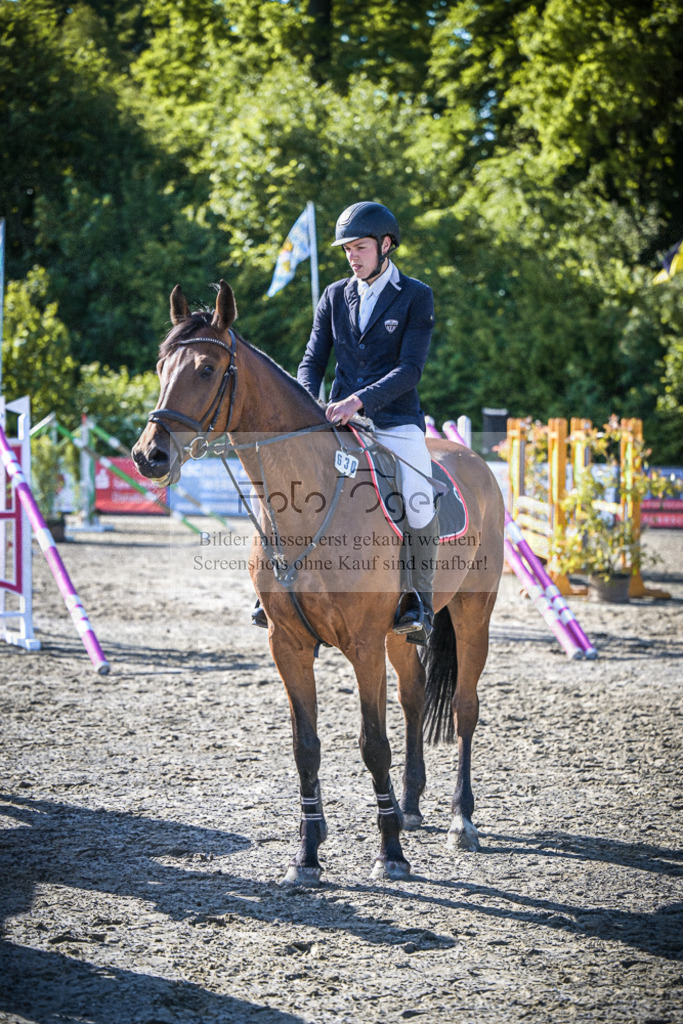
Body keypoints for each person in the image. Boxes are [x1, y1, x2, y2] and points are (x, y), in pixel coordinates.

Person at [295, 200, 438, 644]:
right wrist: (306, 401)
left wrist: (359, 401)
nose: (352, 256)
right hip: (335, 418)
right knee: (291, 483)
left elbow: (410, 370)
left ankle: (418, 599)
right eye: (347, 250)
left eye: (360, 247)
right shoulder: (335, 294)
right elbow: (312, 360)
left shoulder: (416, 295)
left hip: (394, 418)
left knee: (417, 497)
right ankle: (281, 590)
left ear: (385, 244)